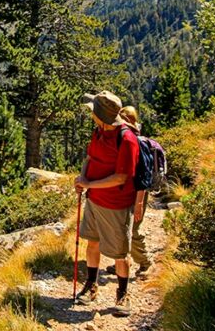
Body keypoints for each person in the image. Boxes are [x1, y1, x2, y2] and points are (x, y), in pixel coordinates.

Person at [74, 91, 139, 317]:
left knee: (120, 253)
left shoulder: (127, 140)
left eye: (93, 110)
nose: (90, 113)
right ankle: (91, 285)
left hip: (115, 204)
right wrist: (82, 178)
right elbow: (90, 158)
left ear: (101, 115)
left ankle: (123, 294)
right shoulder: (99, 131)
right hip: (95, 199)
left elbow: (121, 178)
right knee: (92, 243)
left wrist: (89, 184)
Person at [107, 106, 152, 277]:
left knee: (133, 230)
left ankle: (145, 263)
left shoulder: (136, 142)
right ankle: (121, 261)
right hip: (124, 192)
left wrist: (139, 202)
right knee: (120, 228)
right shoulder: (122, 138)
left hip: (136, 193)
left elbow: (144, 175)